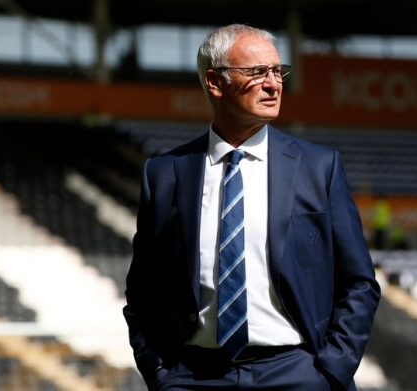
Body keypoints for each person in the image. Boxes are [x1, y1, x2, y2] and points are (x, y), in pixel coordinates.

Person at [123, 23, 381, 391]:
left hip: (296, 373)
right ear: (215, 82)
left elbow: (359, 282)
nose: (274, 84)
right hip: (193, 376)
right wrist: (160, 371)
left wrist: (330, 370)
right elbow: (143, 288)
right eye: (257, 72)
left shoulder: (319, 168)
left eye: (277, 71)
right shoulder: (164, 174)